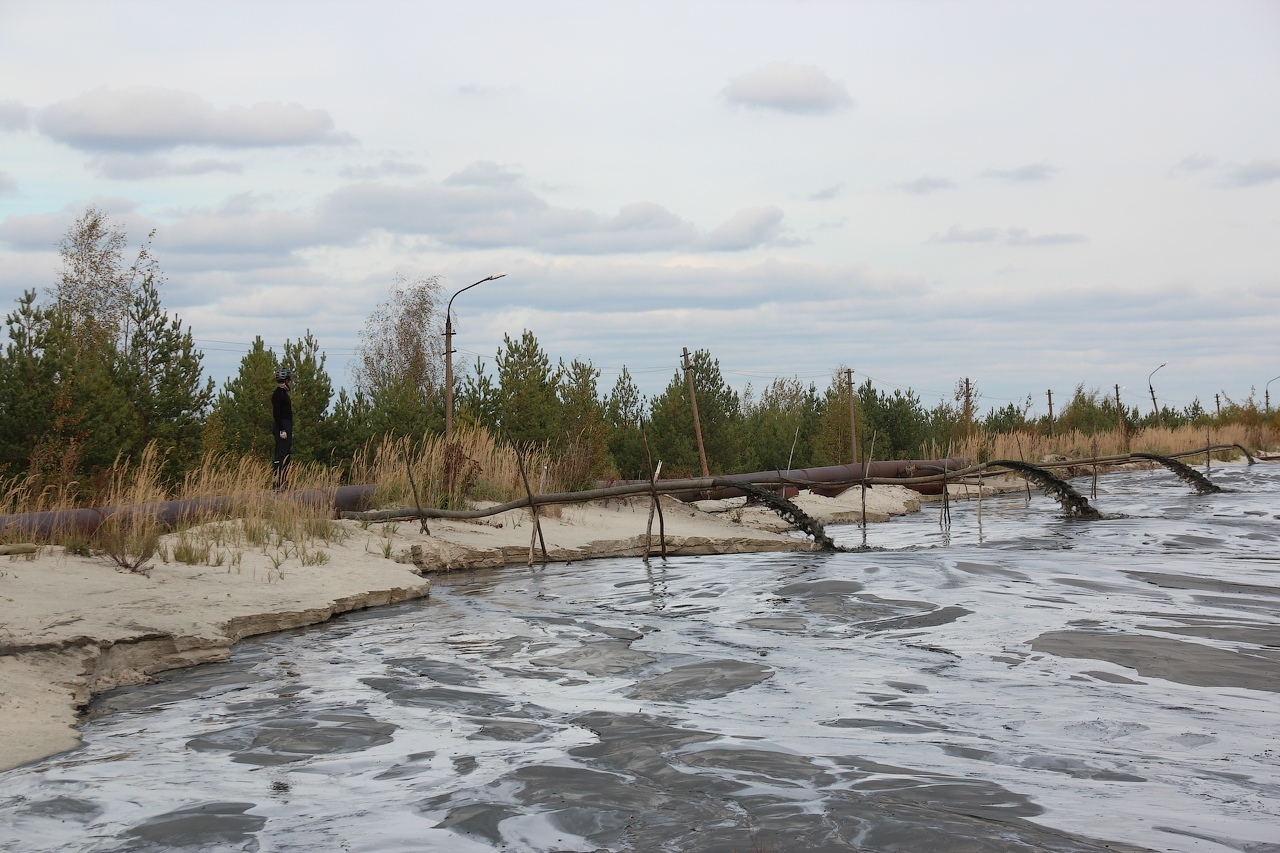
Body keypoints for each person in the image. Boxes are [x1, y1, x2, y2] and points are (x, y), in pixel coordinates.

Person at [272, 368, 293, 489]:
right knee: (280, 455)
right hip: (282, 426)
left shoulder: (284, 393)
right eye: (289, 380)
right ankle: (277, 483)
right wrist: (281, 429)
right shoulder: (278, 394)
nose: (290, 383)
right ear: (285, 381)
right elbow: (276, 413)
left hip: (287, 426)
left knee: (286, 455)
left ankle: (284, 482)